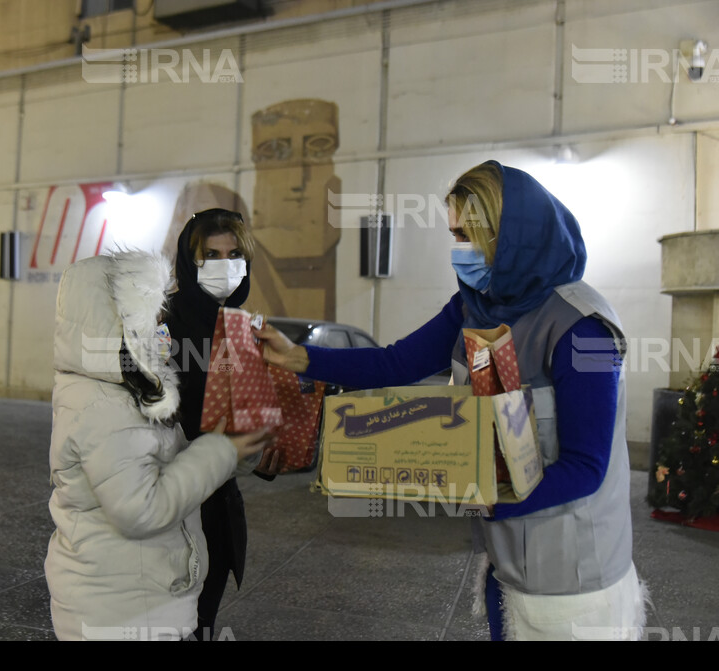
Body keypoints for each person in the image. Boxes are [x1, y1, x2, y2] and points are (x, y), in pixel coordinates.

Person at [254, 160, 646, 641]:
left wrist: (477, 493)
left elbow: (586, 466)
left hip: (573, 584)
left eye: (470, 235)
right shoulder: (472, 306)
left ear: (513, 235)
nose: (459, 251)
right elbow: (395, 363)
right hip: (507, 567)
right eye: (454, 235)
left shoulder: (581, 328)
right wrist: (299, 358)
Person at [43, 250, 271, 641]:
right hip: (120, 615)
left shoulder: (130, 388)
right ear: (117, 319)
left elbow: (176, 463)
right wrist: (221, 450)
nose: (162, 321)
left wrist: (237, 449)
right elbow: (141, 510)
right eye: (150, 310)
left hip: (144, 603)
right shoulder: (101, 404)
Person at [165, 208, 280, 641]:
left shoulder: (244, 328)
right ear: (188, 261)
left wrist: (266, 452)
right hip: (168, 505)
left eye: (233, 255)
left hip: (218, 506)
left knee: (204, 619)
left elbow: (246, 416)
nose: (224, 266)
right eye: (210, 255)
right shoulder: (161, 322)